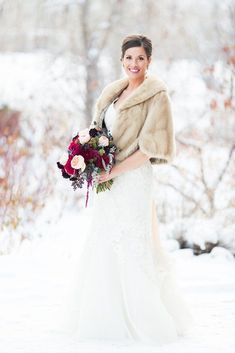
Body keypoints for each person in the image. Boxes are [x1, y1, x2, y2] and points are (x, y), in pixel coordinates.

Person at [59, 34, 193, 344]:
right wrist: (86, 156)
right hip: (109, 179)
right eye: (129, 58)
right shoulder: (112, 93)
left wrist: (113, 171)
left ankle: (147, 320)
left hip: (132, 179)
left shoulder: (157, 96)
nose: (134, 64)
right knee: (104, 239)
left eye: (140, 59)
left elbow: (149, 149)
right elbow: (99, 132)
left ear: (149, 62)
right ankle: (104, 316)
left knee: (131, 243)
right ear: (122, 60)